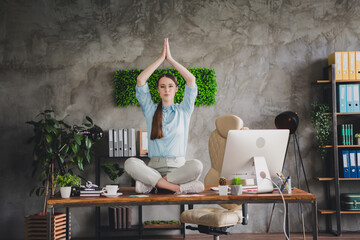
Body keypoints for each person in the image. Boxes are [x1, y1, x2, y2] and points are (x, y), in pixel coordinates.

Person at [124, 38, 204, 194]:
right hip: (154, 168)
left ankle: (152, 185)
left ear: (176, 89)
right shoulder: (150, 109)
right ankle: (177, 188)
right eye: (162, 86)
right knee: (130, 162)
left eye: (170, 86)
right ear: (158, 91)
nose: (166, 89)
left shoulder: (184, 110)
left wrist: (171, 59)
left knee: (197, 165)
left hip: (179, 170)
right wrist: (161, 59)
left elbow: (191, 80)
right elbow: (141, 80)